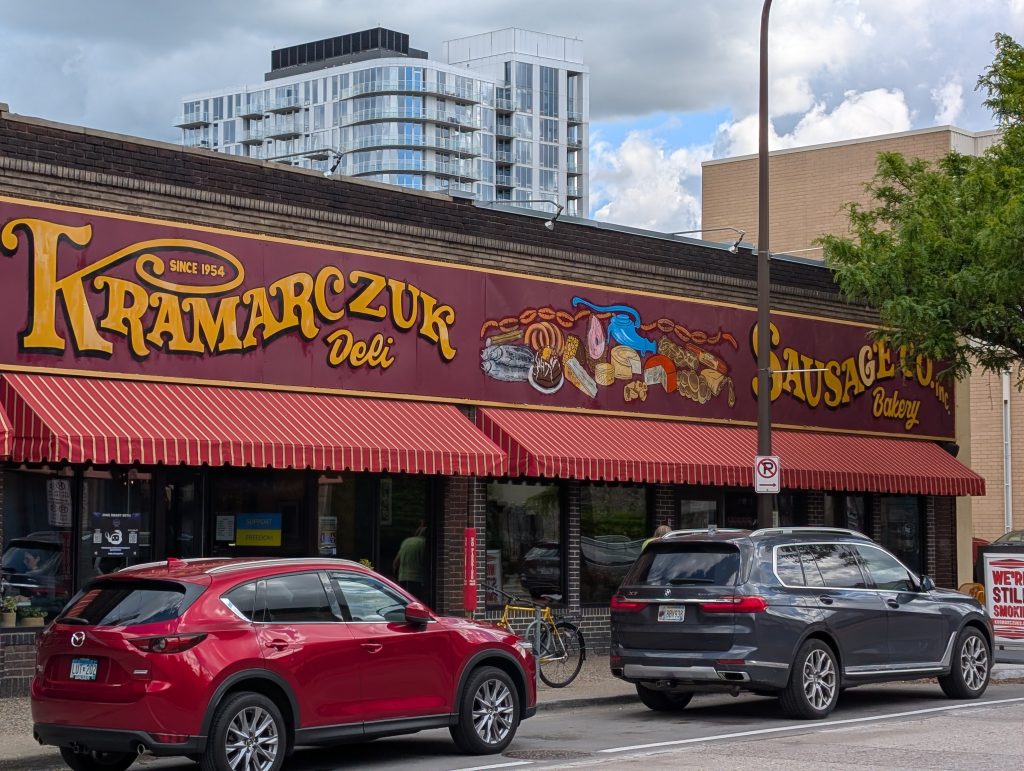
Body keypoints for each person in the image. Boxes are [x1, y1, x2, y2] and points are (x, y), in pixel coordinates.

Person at [393, 522, 427, 599]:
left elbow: (396, 562)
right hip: (417, 580)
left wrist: (396, 577)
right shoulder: (424, 543)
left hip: (403, 578)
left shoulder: (406, 541)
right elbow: (425, 562)